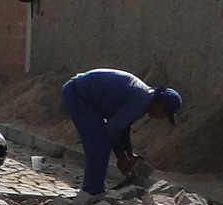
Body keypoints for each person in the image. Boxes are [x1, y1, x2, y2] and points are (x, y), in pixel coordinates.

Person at [60, 68, 182, 197]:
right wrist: (121, 157)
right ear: (160, 106)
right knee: (99, 145)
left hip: (83, 94)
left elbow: (124, 127)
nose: (161, 118)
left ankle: (94, 190)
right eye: (164, 114)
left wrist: (129, 154)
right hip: (77, 95)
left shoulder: (144, 97)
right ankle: (91, 193)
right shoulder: (141, 102)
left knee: (100, 143)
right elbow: (112, 129)